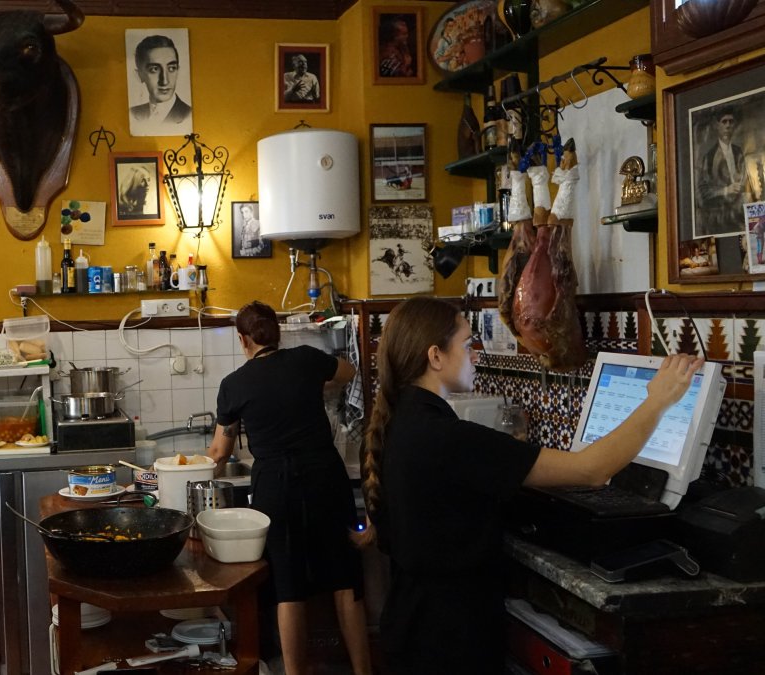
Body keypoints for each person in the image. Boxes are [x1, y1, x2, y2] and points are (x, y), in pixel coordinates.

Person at [361, 296, 702, 674]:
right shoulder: (447, 437)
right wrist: (658, 400)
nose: (476, 356)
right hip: (449, 641)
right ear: (435, 357)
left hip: (413, 625)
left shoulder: (396, 424)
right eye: (468, 345)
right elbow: (592, 469)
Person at [206, 301, 372, 675]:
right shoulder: (306, 359)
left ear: (242, 339)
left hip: (275, 486)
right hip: (325, 476)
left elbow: (219, 450)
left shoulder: (234, 385)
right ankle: (364, 671)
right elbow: (348, 371)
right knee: (345, 578)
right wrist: (318, 382)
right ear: (276, 333)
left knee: (288, 585)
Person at [695, 107, 747, 238]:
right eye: (724, 122)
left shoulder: (738, 152)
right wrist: (726, 190)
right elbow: (703, 192)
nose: (728, 125)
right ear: (717, 125)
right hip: (718, 218)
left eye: (731, 121)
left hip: (739, 214)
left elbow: (746, 180)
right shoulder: (709, 157)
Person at [128, 35, 192, 136]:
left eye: (171, 68)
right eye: (154, 69)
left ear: (178, 71)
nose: (165, 81)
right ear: (139, 75)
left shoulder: (189, 115)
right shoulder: (131, 114)